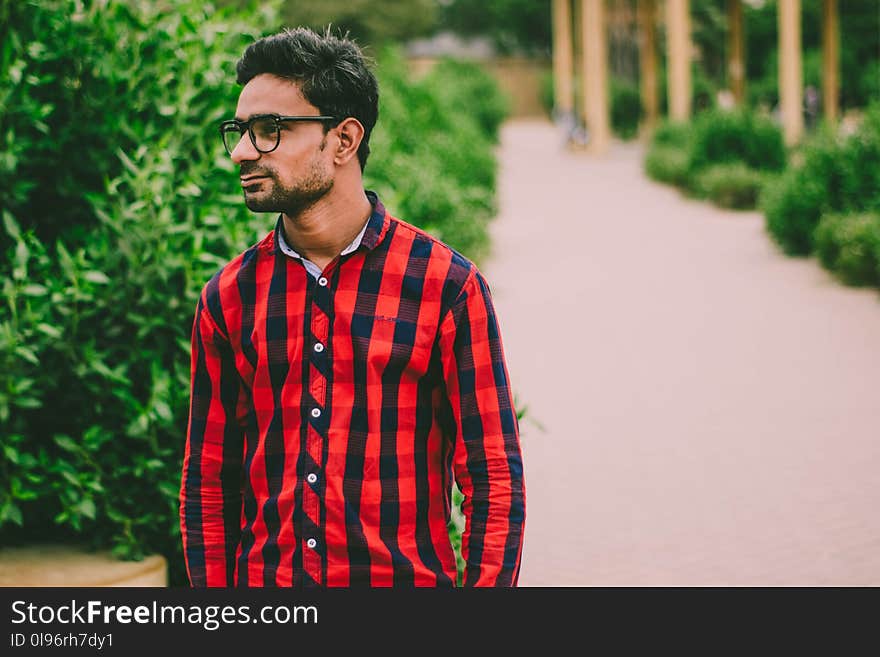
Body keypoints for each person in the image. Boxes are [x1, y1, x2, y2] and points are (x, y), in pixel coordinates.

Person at [179, 27, 525, 587]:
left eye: (270, 130)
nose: (243, 151)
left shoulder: (445, 287)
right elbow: (209, 482)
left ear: (343, 141)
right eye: (240, 132)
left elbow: (492, 478)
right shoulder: (229, 299)